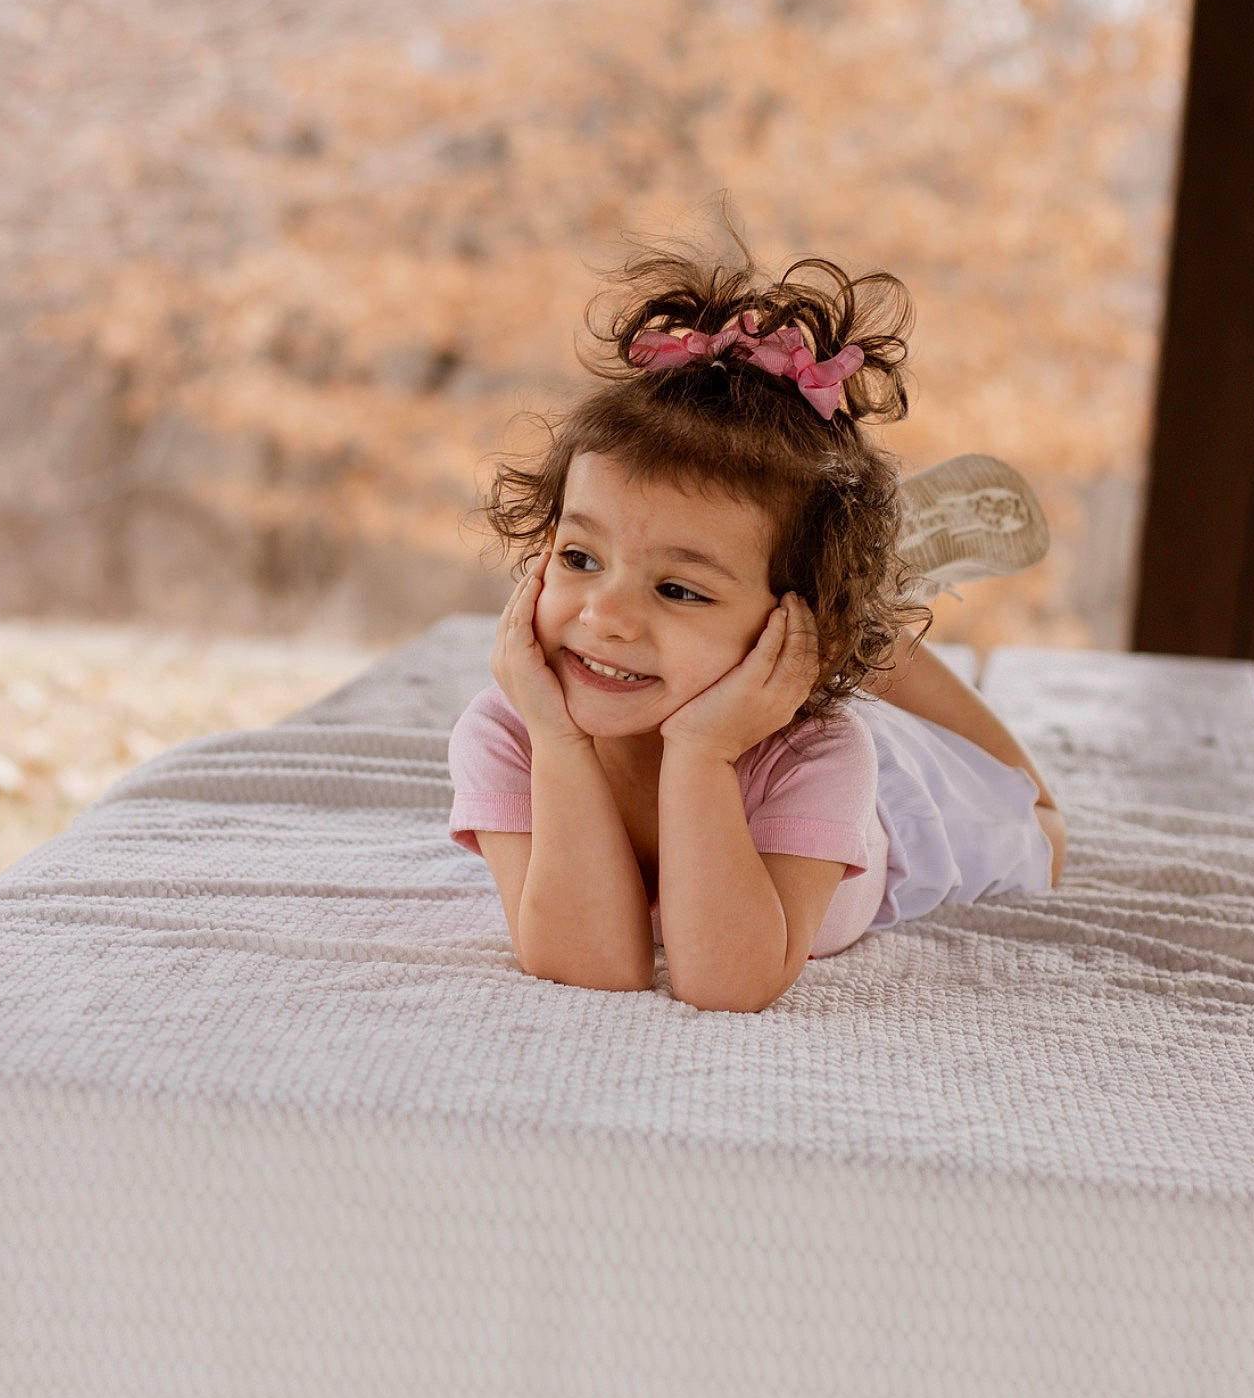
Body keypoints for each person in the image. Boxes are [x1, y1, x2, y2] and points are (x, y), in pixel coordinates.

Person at [448, 220, 1066, 1012]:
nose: (604, 617)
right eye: (579, 558)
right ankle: (850, 596)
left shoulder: (820, 753)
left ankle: (855, 618)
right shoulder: (509, 730)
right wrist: (559, 741)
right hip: (739, 660)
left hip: (901, 798)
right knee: (803, 602)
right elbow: (590, 963)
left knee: (1045, 833)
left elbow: (727, 982)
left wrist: (703, 757)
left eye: (678, 589)